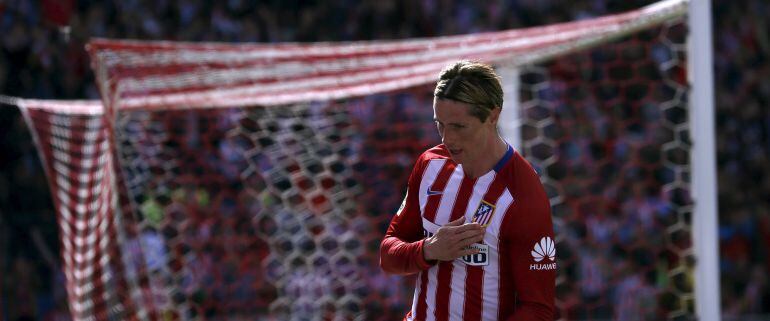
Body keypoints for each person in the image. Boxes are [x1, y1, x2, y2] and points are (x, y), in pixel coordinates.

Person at [380, 60, 555, 320]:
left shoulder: (523, 195)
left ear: (493, 116)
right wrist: (428, 250)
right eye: (440, 124)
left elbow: (538, 309)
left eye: (459, 127)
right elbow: (388, 254)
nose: (446, 138)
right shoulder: (430, 165)